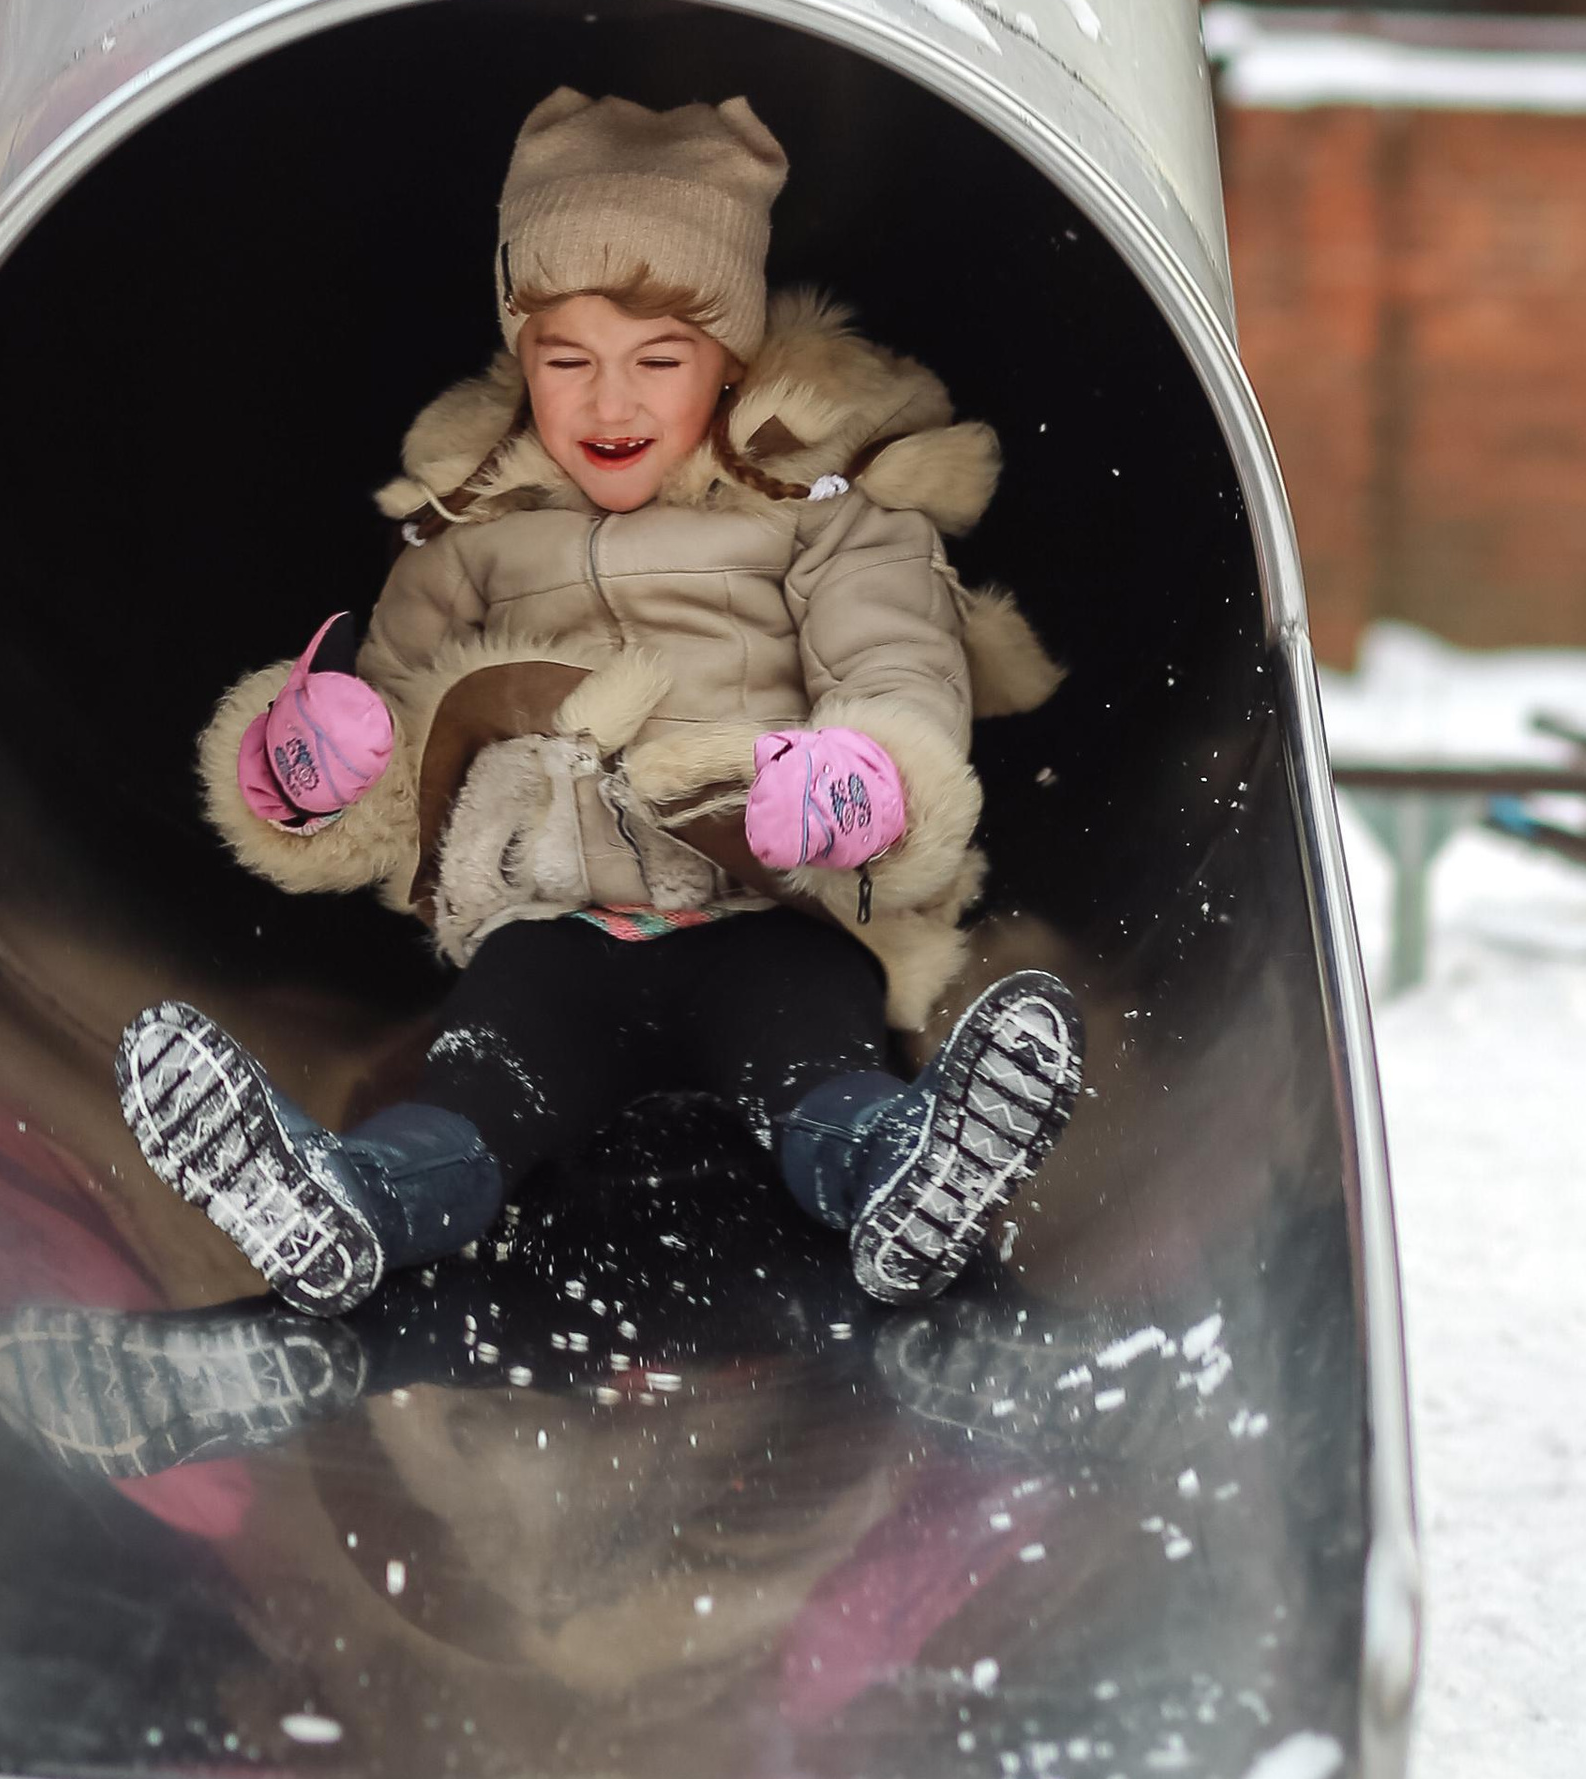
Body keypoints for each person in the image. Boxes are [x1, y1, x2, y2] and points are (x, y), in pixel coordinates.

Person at [117, 88, 1083, 1318]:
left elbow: (894, 655)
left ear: (728, 362)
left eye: (657, 361)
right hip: (555, 926)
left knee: (807, 1064)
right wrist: (308, 771)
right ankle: (347, 1200)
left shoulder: (824, 512)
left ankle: (903, 1168)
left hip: (764, 904)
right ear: (521, 359)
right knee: (480, 1086)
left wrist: (868, 773)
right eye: (565, 360)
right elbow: (398, 736)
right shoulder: (470, 536)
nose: (608, 404)